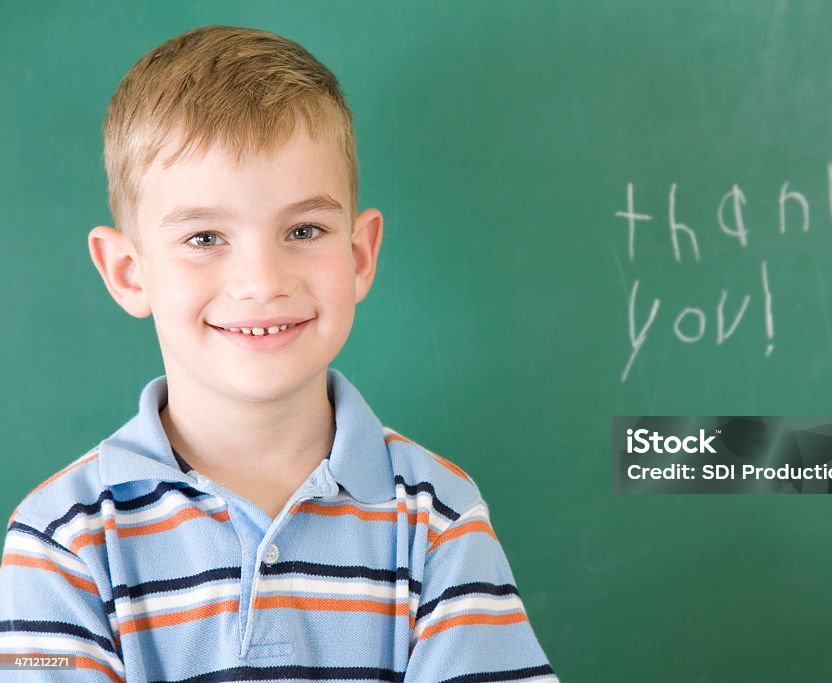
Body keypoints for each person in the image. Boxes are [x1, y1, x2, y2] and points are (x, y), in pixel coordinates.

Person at [0, 25, 557, 682]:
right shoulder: (62, 541)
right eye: (205, 236)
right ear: (128, 271)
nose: (262, 281)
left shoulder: (438, 518)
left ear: (359, 255)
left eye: (303, 230)